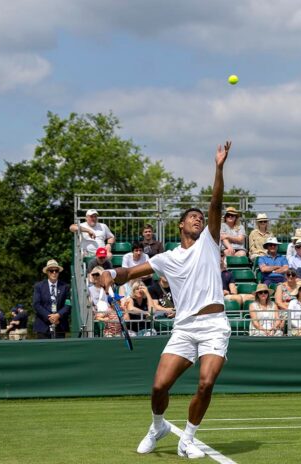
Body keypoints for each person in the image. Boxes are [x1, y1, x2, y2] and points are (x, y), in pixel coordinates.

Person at [100, 140, 232, 458]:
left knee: (206, 382)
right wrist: (109, 275)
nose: (199, 219)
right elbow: (128, 275)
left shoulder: (209, 243)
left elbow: (216, 203)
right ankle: (158, 425)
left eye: (201, 217)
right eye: (192, 217)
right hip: (184, 327)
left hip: (214, 324)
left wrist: (218, 168)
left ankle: (188, 438)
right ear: (180, 225)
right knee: (159, 387)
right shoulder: (166, 258)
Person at [32, 259, 71, 339]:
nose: (54, 273)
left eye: (56, 271)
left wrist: (58, 315)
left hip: (59, 325)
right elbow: (36, 304)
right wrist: (49, 317)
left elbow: (68, 304)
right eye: (51, 271)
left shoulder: (65, 287)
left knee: (59, 350)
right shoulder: (39, 286)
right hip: (43, 326)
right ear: (47, 272)